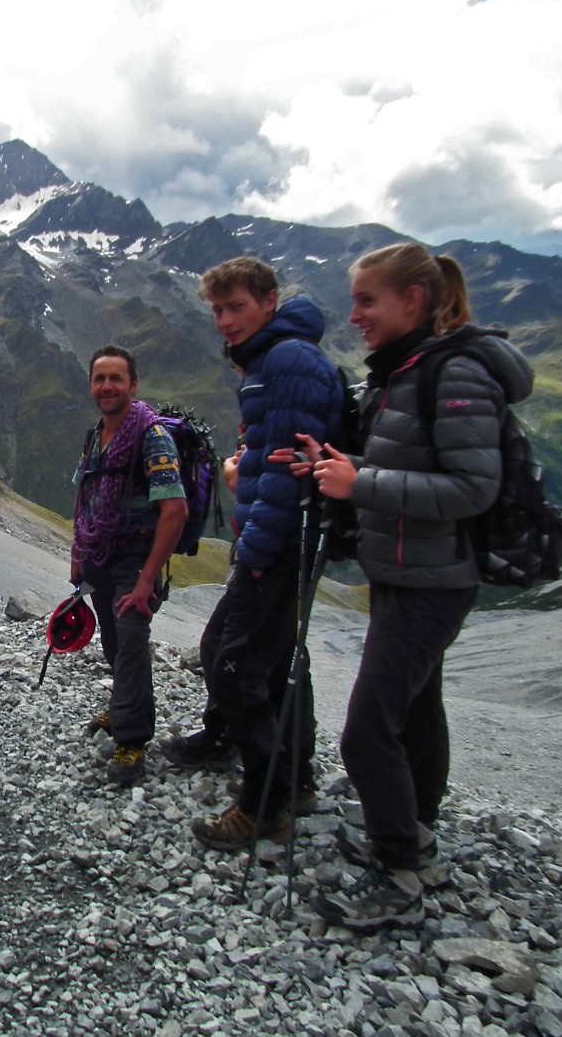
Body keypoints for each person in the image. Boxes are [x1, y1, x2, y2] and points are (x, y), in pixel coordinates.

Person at [300, 243, 532, 930]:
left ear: (414, 300)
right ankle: (415, 828)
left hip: (435, 580)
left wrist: (360, 482)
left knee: (366, 732)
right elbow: (417, 459)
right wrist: (344, 463)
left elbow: (472, 487)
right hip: (406, 571)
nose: (355, 315)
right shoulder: (411, 368)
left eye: (368, 301)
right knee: (417, 708)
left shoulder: (455, 371)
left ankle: (400, 872)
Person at [167, 258, 344, 851]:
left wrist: (259, 549)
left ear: (269, 301)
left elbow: (288, 471)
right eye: (217, 310)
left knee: (229, 658)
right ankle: (294, 782)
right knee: (272, 658)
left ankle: (264, 799)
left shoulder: (287, 361)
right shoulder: (273, 357)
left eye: (236, 307)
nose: (224, 321)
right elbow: (275, 454)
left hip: (277, 540)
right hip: (283, 535)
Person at [71, 346, 188, 787]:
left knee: (133, 641)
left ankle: (132, 741)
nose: (107, 386)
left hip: (135, 558)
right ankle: (123, 707)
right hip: (100, 556)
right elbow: (85, 496)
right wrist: (77, 557)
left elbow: (175, 510)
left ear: (133, 385)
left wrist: (144, 581)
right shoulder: (95, 434)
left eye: (116, 378)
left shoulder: (152, 436)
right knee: (115, 642)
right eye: (99, 378)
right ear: (91, 384)